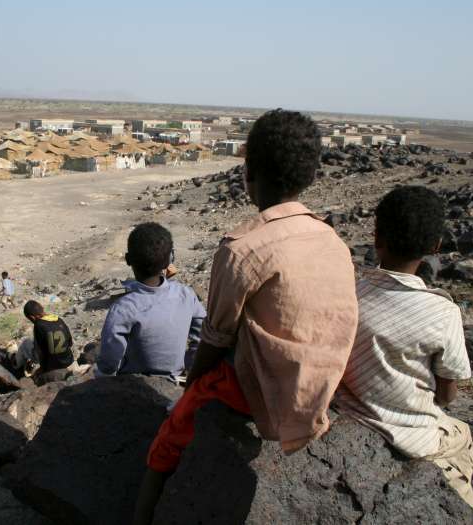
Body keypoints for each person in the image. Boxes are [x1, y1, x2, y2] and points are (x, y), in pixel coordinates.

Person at [133, 109, 359, 524]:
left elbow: (216, 337)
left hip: (261, 391)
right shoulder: (332, 240)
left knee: (167, 440)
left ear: (248, 172)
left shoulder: (244, 248)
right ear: (310, 174)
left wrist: (192, 386)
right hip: (323, 387)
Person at [335, 186, 473, 508]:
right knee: (461, 437)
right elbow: (447, 394)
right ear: (435, 247)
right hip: (411, 434)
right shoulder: (442, 312)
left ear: (377, 239)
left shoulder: (351, 291)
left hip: (348, 411)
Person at [96, 223, 205, 379]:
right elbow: (204, 335)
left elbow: (109, 362)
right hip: (176, 377)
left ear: (128, 260)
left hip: (133, 385)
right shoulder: (185, 294)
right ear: (170, 258)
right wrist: (187, 365)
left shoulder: (123, 307)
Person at [22, 300, 75, 375]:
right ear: (42, 309)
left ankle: (19, 367)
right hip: (69, 360)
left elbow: (38, 351)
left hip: (52, 366)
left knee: (26, 343)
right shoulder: (59, 320)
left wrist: (34, 362)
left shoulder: (39, 325)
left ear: (32, 317)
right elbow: (70, 343)